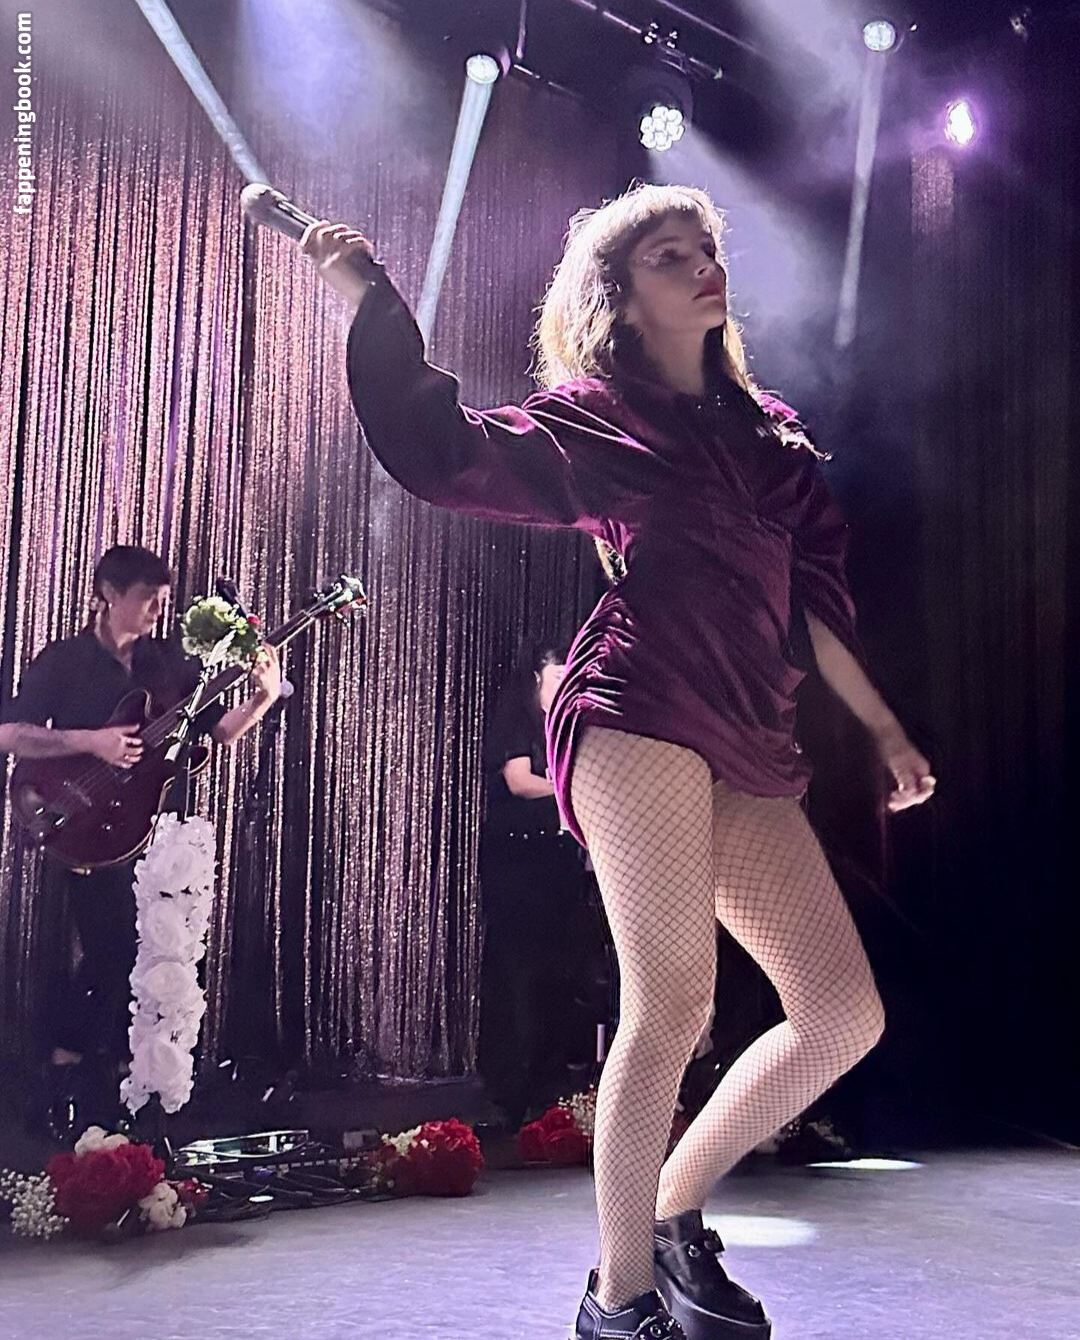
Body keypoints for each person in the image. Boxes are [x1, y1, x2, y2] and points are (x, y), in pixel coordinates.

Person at [302, 184, 935, 1340]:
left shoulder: (773, 438)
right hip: (636, 704)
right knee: (674, 998)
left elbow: (816, 604)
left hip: (749, 727)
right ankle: (619, 1294)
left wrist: (884, 727)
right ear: (622, 296)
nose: (701, 265)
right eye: (668, 254)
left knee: (843, 1012)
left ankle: (675, 1213)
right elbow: (452, 452)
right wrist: (373, 301)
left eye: (705, 248)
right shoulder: (603, 418)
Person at [0, 545, 281, 1129]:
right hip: (82, 825)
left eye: (164, 599)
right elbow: (10, 734)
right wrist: (91, 742)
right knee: (114, 954)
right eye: (148, 598)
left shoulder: (166, 663)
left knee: (145, 962)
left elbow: (219, 733)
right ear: (108, 593)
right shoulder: (65, 660)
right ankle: (70, 1072)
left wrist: (262, 696)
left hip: (153, 833)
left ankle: (111, 1082)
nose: (159, 610)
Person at [477, 642, 597, 1129]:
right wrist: (570, 788)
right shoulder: (517, 723)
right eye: (555, 679)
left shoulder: (563, 727)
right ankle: (511, 1086)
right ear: (534, 679)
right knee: (518, 972)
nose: (562, 688)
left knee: (559, 972)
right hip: (517, 862)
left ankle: (548, 1085)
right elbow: (519, 781)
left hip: (555, 860)